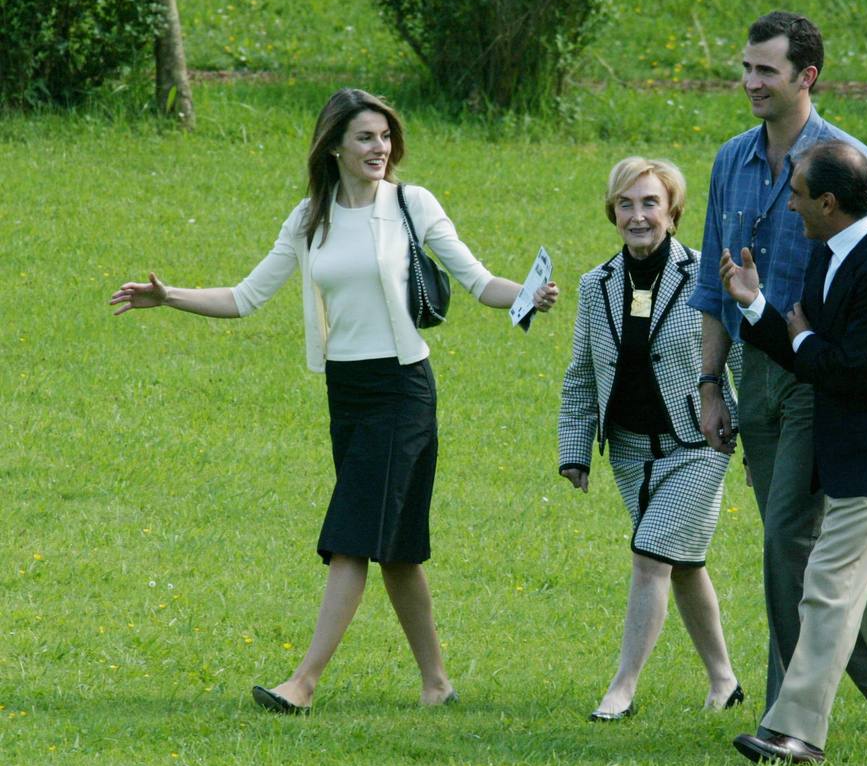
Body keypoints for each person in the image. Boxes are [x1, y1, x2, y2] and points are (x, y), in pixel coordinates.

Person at [109, 88, 559, 714]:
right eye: (366, 139)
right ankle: (437, 683)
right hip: (346, 392)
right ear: (335, 147)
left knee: (349, 536)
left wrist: (526, 297)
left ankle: (304, 683)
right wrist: (170, 297)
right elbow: (245, 297)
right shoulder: (309, 218)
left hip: (403, 392)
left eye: (385, 138)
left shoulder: (411, 204)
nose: (381, 149)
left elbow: (478, 280)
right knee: (397, 548)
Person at [689, 10, 867, 729]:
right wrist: (710, 385)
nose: (749, 82)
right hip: (755, 375)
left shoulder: (849, 161)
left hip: (821, 379)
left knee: (787, 536)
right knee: (818, 551)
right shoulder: (728, 162)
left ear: (805, 77)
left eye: (764, 71)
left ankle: (788, 713)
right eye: (745, 67)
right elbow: (715, 289)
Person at [720, 141, 867, 765]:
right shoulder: (831, 253)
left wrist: (802, 334)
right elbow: (805, 349)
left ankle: (795, 732)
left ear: (828, 202)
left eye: (796, 195)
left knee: (827, 584)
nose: (788, 205)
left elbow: (851, 370)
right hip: (844, 449)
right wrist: (756, 304)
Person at [558, 157, 744, 720]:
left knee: (649, 555)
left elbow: (740, 359)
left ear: (673, 212)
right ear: (612, 211)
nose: (637, 216)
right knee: (681, 563)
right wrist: (574, 448)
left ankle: (622, 688)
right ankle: (724, 680)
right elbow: (582, 374)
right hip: (631, 453)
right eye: (626, 204)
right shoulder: (598, 285)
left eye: (649, 204)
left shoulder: (706, 275)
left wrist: (757, 441)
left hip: (699, 444)